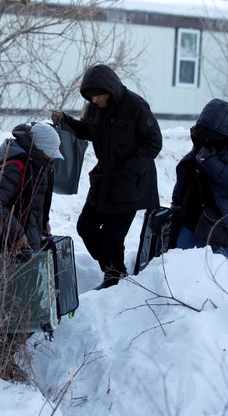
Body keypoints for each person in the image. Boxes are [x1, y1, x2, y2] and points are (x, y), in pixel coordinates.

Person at [52, 64, 162, 289]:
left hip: (131, 183)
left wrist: (129, 171)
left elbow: (154, 142)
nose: (95, 101)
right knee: (85, 226)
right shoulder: (95, 108)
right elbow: (88, 131)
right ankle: (114, 270)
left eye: (98, 96)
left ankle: (114, 279)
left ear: (109, 89)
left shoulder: (136, 106)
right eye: (90, 98)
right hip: (103, 181)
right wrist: (66, 121)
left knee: (113, 236)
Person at [0, 121, 62, 381]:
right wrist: (16, 235)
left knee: (25, 308)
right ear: (39, 150)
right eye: (49, 154)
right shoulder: (16, 166)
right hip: (10, 246)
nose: (52, 159)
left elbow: (36, 200)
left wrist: (43, 220)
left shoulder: (40, 165)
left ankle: (0, 361)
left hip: (27, 243)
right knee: (20, 308)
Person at [171, 98, 228, 263]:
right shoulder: (204, 140)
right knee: (181, 269)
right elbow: (187, 175)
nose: (207, 141)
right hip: (194, 217)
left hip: (227, 219)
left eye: (211, 136)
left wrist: (210, 162)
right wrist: (176, 205)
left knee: (226, 276)